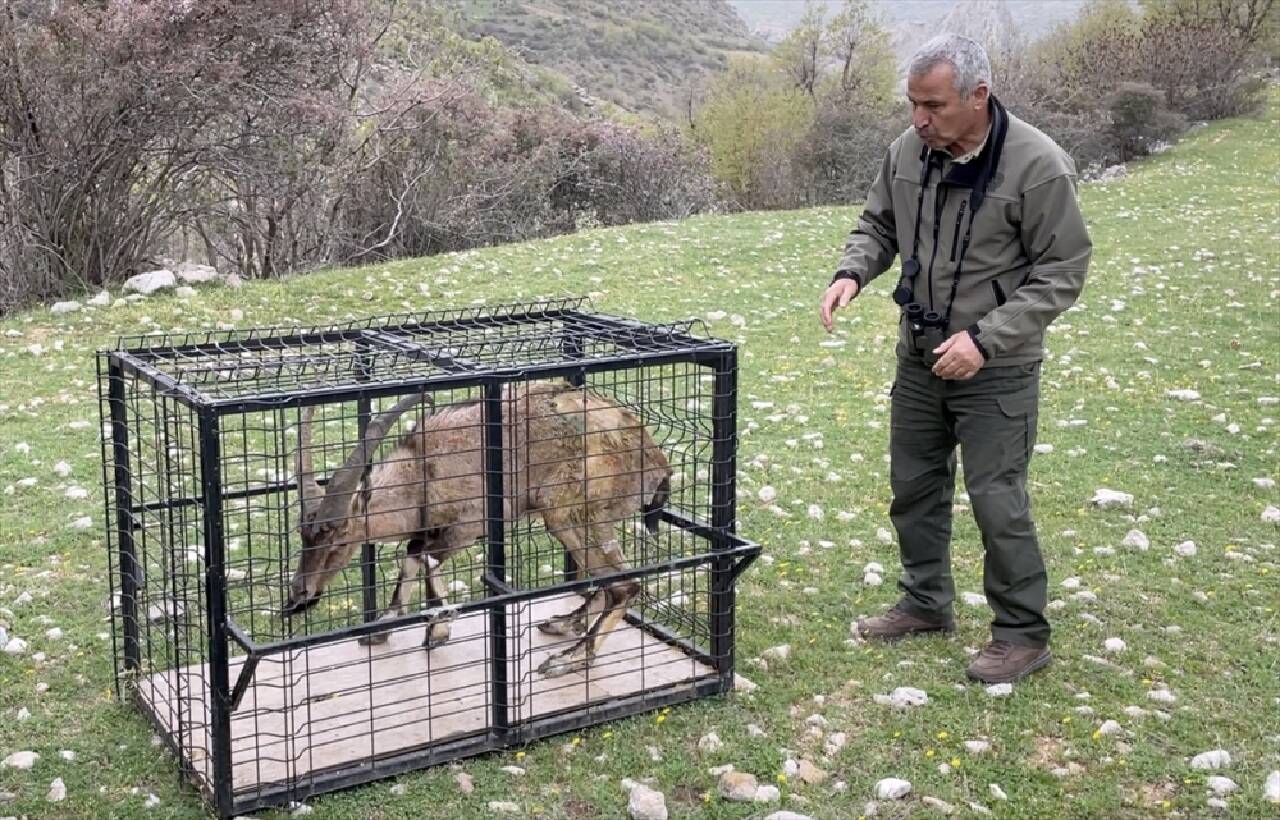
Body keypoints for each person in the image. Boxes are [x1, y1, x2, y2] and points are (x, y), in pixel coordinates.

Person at [818, 33, 1092, 684]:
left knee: (998, 499)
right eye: (913, 105)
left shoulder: (1038, 166)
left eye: (933, 106)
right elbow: (878, 224)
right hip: (918, 356)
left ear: (978, 97)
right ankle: (924, 603)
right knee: (913, 486)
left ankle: (1022, 634)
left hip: (996, 367)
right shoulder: (906, 153)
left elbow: (1063, 270)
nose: (920, 120)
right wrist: (852, 272)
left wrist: (986, 339)